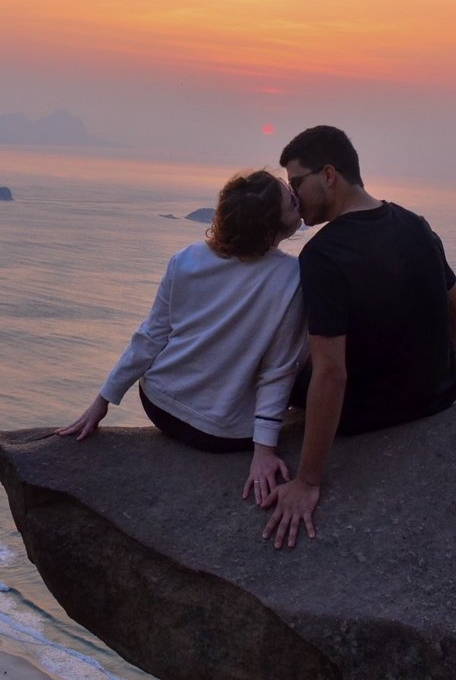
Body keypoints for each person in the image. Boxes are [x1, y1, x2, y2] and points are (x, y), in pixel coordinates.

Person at [263, 125, 456, 549]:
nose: (293, 197)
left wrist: (307, 481)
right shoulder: (416, 226)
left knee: (285, 361)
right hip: (439, 393)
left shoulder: (323, 255)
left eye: (295, 184)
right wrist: (426, 371)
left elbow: (331, 373)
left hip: (365, 415)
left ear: (328, 175)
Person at [58, 169, 306, 503]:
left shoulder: (186, 259)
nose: (297, 197)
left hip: (160, 405)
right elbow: (278, 371)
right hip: (223, 433)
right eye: (290, 198)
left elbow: (150, 337)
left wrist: (103, 400)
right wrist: (264, 451)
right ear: (273, 224)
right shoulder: (292, 278)